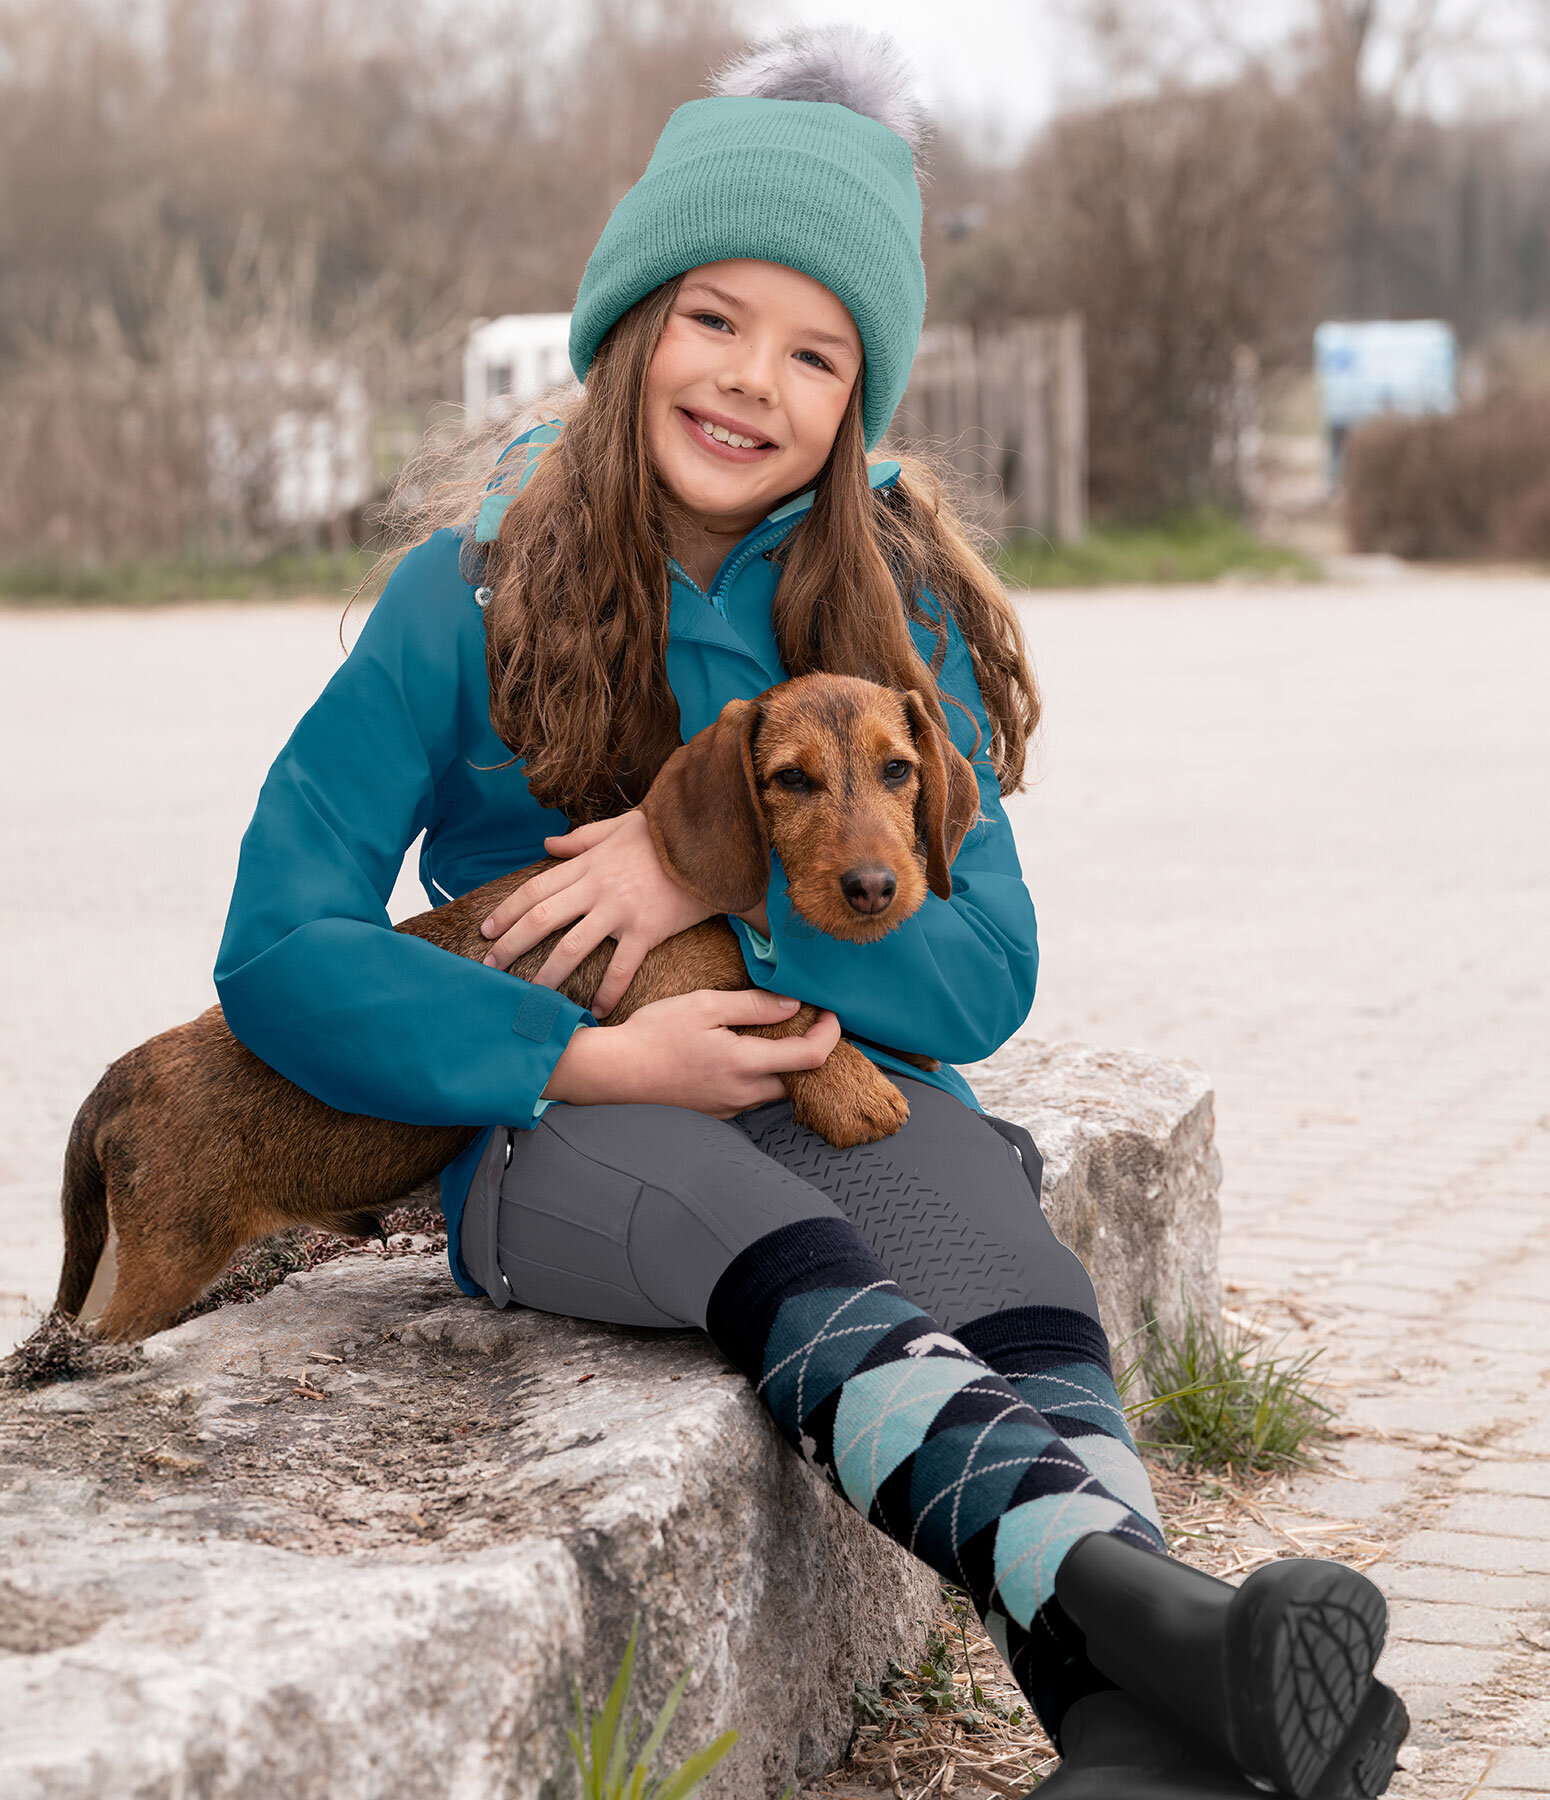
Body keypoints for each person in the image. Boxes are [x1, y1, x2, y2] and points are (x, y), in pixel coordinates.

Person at [213, 28, 1407, 1799]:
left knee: (994, 1242)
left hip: (842, 1081)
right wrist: (592, 1054)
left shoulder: (889, 614)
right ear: (630, 326)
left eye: (815, 351)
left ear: (860, 396)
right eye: (713, 318)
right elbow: (278, 951)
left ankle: (1131, 1737)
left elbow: (986, 968)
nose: (750, 379)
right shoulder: (453, 597)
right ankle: (1164, 1640)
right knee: (774, 1240)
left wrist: (724, 889)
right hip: (561, 1138)